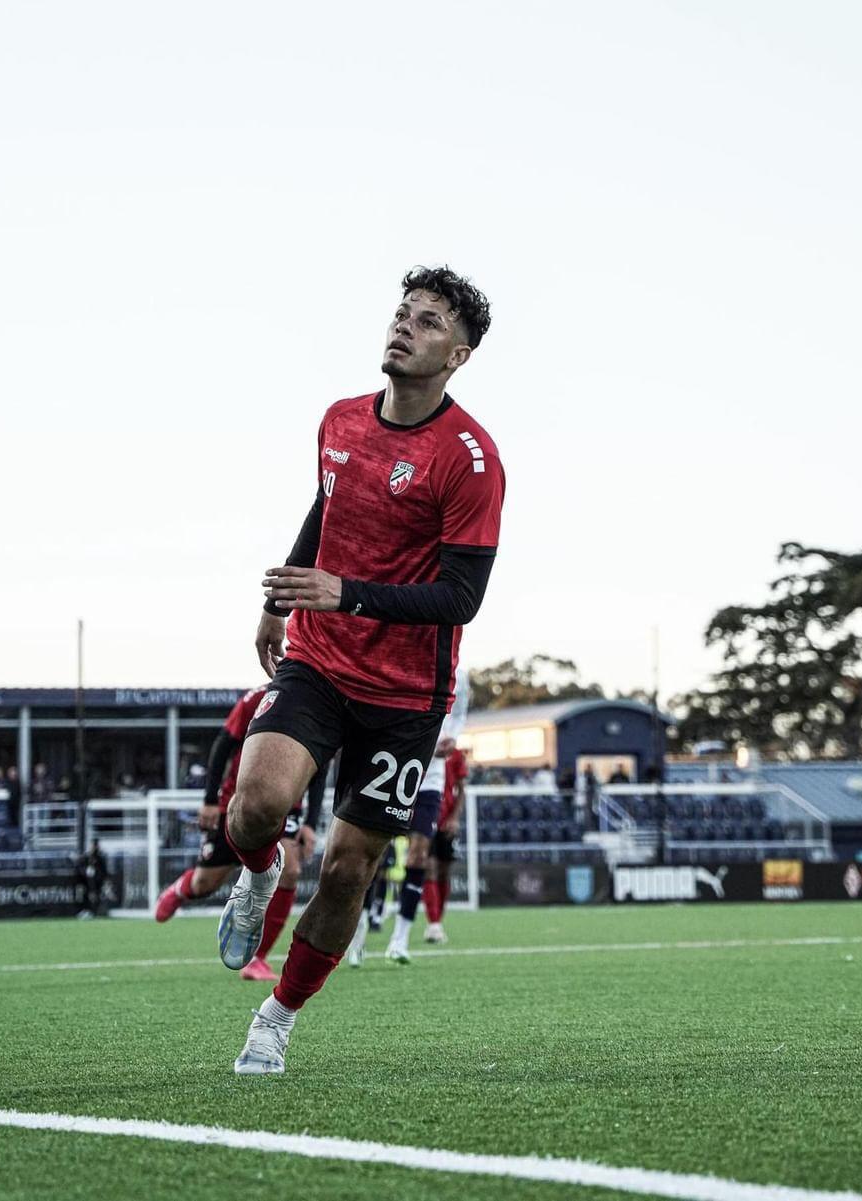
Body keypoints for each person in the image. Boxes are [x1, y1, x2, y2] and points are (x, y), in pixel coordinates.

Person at [218, 265, 504, 1075]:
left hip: (407, 697)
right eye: (402, 312)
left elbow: (462, 597)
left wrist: (342, 591)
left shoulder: (471, 461)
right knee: (255, 806)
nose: (405, 326)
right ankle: (260, 871)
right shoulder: (339, 419)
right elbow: (328, 504)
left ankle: (276, 1018)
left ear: (459, 353)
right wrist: (285, 592)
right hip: (318, 659)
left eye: (428, 320)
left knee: (349, 868)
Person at [155, 687, 323, 984]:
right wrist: (209, 799)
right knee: (207, 882)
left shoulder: (322, 704)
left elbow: (320, 768)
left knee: (290, 870)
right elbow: (223, 744)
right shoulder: (259, 698)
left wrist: (310, 822)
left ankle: (257, 958)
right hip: (238, 802)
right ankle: (183, 888)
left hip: (287, 805)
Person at [380, 666, 469, 963]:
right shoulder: (398, 664)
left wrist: (451, 738)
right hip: (394, 772)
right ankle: (360, 931)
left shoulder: (456, 670)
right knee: (371, 856)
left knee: (421, 857)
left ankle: (401, 938)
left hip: (429, 781)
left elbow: (459, 709)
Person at [422, 740, 470, 944]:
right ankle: (433, 923)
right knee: (429, 868)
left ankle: (437, 921)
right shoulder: (423, 747)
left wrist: (455, 818)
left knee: (444, 871)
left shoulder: (456, 755)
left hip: (446, 822)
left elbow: (461, 790)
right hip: (425, 817)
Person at [76, 839, 108, 918]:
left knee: (96, 895)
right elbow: (79, 869)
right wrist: (86, 871)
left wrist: (97, 874)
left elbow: (104, 871)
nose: (94, 847)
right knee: (84, 893)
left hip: (97, 883)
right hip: (85, 882)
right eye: (93, 845)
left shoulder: (100, 858)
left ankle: (95, 911)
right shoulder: (85, 857)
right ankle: (85, 910)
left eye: (96, 845)